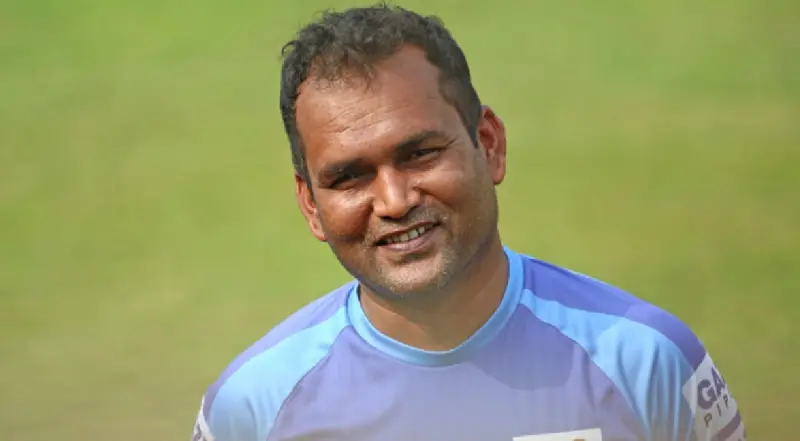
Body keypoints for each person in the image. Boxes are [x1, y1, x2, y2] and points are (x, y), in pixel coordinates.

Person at [190, 4, 745, 441]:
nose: (394, 201)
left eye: (420, 154)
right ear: (311, 205)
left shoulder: (648, 364)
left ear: (489, 144)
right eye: (349, 177)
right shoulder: (252, 409)